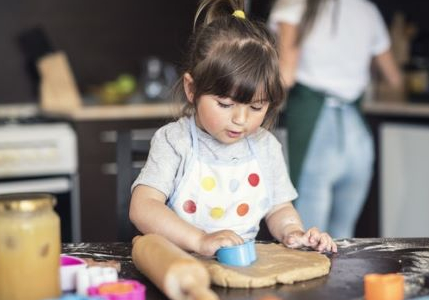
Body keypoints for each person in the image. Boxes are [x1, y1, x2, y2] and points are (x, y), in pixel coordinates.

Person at [129, 0, 337, 257]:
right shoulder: (175, 141)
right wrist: (200, 240)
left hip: (243, 270)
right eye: (225, 104)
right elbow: (143, 207)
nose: (241, 119)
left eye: (257, 107)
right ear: (192, 89)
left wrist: (293, 232)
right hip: (179, 265)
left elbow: (279, 209)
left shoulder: (265, 146)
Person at [269, 0, 402, 238]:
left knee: (307, 240)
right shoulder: (367, 10)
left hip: (315, 133)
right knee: (343, 239)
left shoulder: (293, 3)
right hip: (357, 135)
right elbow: (395, 79)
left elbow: (285, 76)